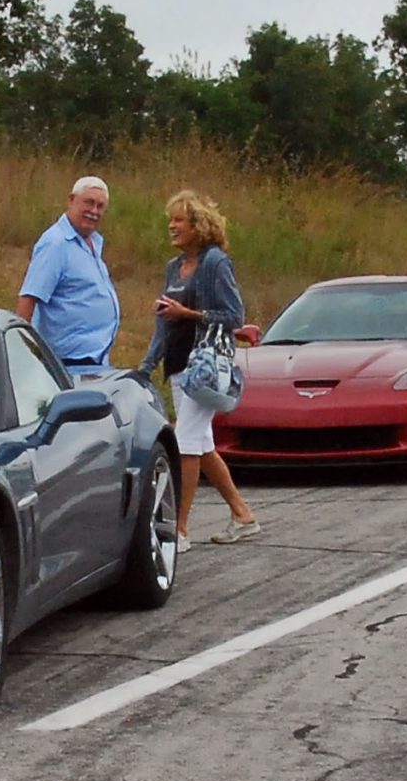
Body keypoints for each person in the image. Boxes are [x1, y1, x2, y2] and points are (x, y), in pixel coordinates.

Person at [133, 189, 261, 550]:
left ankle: (181, 529)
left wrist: (189, 314)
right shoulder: (173, 268)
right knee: (200, 444)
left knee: (186, 442)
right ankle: (242, 514)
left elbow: (234, 317)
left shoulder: (216, 263)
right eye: (170, 220)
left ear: (198, 226)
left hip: (204, 367)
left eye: (179, 220)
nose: (171, 227)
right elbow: (164, 323)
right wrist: (146, 367)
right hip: (178, 364)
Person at [16, 175, 121, 376]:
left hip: (94, 363)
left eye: (100, 207)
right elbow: (29, 298)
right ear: (71, 200)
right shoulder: (56, 244)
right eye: (89, 203)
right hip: (65, 365)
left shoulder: (92, 244)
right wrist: (21, 355)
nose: (94, 211)